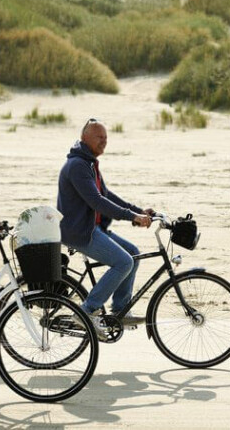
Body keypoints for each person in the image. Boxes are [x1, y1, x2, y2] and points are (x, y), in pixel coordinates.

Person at [57, 118, 153, 333]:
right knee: (123, 262)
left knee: (133, 253)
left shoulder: (89, 162)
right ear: (84, 138)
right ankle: (87, 310)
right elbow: (97, 202)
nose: (104, 142)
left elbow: (107, 195)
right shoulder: (78, 166)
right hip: (80, 232)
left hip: (92, 228)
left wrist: (137, 211)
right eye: (99, 137)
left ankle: (119, 309)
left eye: (106, 138)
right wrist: (132, 217)